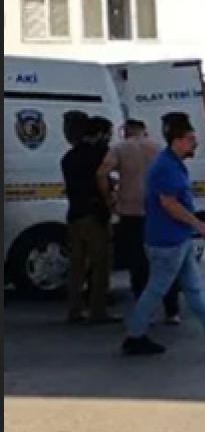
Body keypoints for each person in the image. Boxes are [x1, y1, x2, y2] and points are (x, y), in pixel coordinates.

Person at [121, 116, 205, 356]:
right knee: (156, 289)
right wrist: (197, 224)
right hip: (167, 240)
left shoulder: (171, 164)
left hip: (177, 238)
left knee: (192, 287)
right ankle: (134, 335)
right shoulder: (166, 167)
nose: (194, 144)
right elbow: (169, 203)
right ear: (177, 141)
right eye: (190, 139)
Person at [99, 119, 180, 324]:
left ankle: (146, 310)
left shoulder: (120, 148)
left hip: (131, 213)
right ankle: (172, 311)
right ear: (144, 131)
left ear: (126, 132)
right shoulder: (159, 149)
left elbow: (102, 172)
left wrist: (109, 198)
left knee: (138, 264)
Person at [60, 112, 117, 324]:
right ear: (100, 134)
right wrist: (110, 198)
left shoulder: (68, 157)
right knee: (100, 264)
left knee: (77, 266)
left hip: (74, 214)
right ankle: (98, 310)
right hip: (95, 215)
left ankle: (74, 310)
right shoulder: (99, 154)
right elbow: (102, 180)